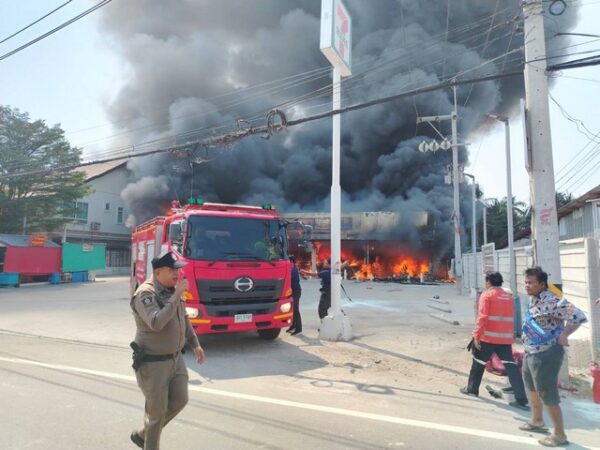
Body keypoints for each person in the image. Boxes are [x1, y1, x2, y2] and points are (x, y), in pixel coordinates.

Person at [130, 251, 205, 450]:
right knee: (157, 414)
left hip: (175, 359)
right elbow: (156, 322)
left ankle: (143, 434)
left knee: (180, 400)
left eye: (177, 270)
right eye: (172, 270)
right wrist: (177, 295)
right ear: (157, 272)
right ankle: (149, 442)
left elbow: (184, 318)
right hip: (153, 362)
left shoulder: (173, 290)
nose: (176, 274)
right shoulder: (146, 293)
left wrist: (195, 343)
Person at [519, 266, 587, 447]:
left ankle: (559, 434)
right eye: (526, 282)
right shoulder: (533, 300)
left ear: (542, 284)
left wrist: (564, 334)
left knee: (546, 392)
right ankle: (537, 420)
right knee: (532, 387)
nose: (527, 285)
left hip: (547, 353)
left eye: (531, 282)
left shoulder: (554, 301)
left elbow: (578, 316)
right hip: (531, 350)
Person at [460, 272, 529, 410]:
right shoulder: (508, 297)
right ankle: (521, 399)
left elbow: (482, 317)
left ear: (488, 281)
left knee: (478, 363)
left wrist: (476, 336)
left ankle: (472, 389)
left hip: (488, 337)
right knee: (511, 366)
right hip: (505, 339)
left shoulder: (487, 295)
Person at [287, 255, 302, 335]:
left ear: (291, 261)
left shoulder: (293, 270)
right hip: (292, 292)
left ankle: (299, 328)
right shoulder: (292, 269)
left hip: (296, 292)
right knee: (291, 310)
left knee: (295, 310)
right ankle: (292, 325)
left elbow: (289, 279)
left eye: (288, 261)